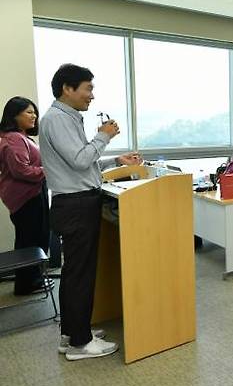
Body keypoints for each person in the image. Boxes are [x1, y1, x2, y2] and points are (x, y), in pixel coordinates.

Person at [40, 64, 142, 361]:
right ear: (67, 89)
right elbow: (80, 160)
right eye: (88, 88)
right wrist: (104, 136)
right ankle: (80, 344)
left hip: (75, 201)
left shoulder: (66, 118)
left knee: (75, 273)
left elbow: (83, 163)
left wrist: (114, 160)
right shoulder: (58, 119)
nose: (92, 96)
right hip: (76, 205)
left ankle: (72, 333)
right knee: (79, 275)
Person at [0, 97, 51, 295]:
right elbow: (22, 170)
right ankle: (28, 284)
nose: (34, 116)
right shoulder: (14, 138)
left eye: (34, 112)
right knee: (31, 241)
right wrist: (49, 170)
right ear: (14, 115)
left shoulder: (16, 137)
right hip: (27, 197)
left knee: (28, 240)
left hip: (26, 196)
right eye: (28, 112)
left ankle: (29, 281)